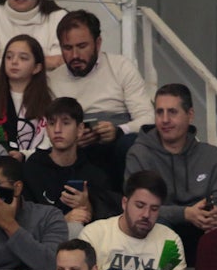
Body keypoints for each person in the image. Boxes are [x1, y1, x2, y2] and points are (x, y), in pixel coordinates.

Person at [125, 84, 217, 263]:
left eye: (172, 112)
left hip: (204, 230)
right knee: (157, 226)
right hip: (160, 228)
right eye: (159, 112)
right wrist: (186, 213)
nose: (164, 120)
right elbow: (135, 209)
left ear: (190, 115)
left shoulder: (212, 156)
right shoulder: (140, 154)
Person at [47, 11, 153, 175]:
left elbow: (148, 118)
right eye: (67, 48)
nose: (75, 55)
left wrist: (118, 131)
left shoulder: (120, 66)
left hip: (118, 143)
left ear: (98, 43)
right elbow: (48, 129)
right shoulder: (53, 80)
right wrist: (72, 139)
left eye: (82, 46)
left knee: (131, 144)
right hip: (75, 151)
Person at [79, 171, 186, 270]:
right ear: (124, 203)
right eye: (140, 205)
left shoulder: (169, 239)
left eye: (154, 209)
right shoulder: (95, 233)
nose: (146, 214)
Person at [22, 98, 118, 231]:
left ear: (80, 129)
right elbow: (25, 219)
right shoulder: (33, 169)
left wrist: (87, 205)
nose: (57, 129)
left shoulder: (93, 173)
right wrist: (62, 220)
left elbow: (110, 222)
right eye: (51, 123)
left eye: (65, 123)